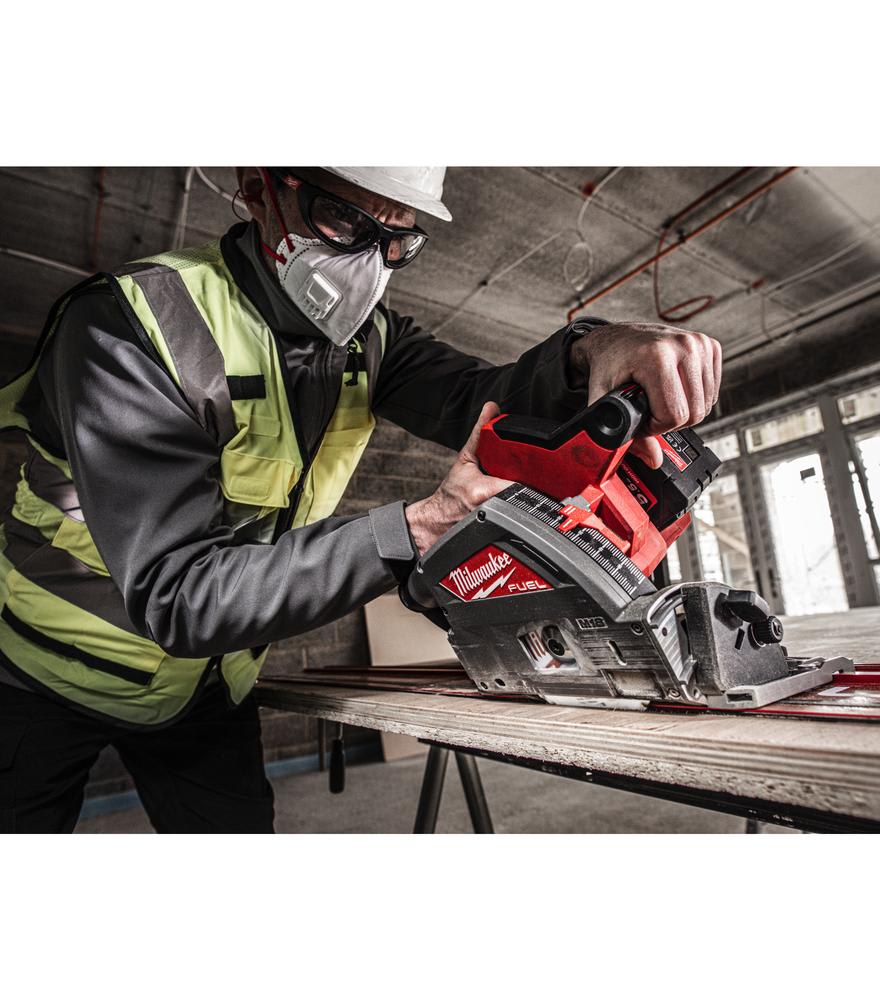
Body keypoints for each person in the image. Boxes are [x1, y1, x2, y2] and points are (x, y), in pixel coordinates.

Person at [0, 167, 721, 833]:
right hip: (47, 674)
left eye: (397, 237)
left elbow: (483, 398)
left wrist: (589, 352)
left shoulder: (369, 343)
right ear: (261, 189)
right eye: (344, 221)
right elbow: (179, 595)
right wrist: (418, 527)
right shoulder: (135, 325)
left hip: (206, 686)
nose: (368, 264)